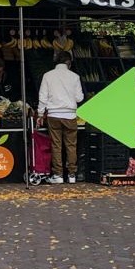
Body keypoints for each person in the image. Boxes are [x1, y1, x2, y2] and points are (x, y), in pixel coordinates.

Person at [37, 51, 83, 184]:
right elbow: (79, 97)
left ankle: (58, 175)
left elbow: (43, 97)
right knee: (71, 145)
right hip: (70, 115)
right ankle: (72, 174)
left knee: (56, 145)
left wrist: (40, 114)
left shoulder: (47, 76)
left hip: (54, 115)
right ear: (68, 62)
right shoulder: (75, 77)